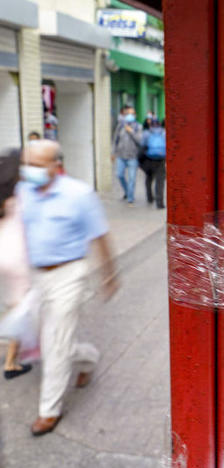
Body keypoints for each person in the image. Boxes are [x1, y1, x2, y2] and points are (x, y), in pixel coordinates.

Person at [19, 140, 119, 436]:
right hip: (37, 274)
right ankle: (88, 357)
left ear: (55, 165)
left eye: (37, 165)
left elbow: (101, 235)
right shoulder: (24, 191)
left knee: (55, 342)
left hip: (69, 274)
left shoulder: (79, 194)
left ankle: (49, 411)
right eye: (27, 164)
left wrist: (109, 275)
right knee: (39, 335)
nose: (29, 170)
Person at [0, 148, 37, 380]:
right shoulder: (23, 195)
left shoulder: (4, 196)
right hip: (19, 259)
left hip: (4, 255)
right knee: (21, 309)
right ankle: (11, 363)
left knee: (15, 304)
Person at [111, 105, 142, 205]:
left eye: (132, 114)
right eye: (128, 114)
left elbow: (140, 141)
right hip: (121, 156)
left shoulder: (138, 126)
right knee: (119, 175)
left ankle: (130, 198)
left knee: (132, 178)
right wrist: (113, 153)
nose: (129, 116)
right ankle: (127, 191)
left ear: (135, 115)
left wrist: (131, 131)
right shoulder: (120, 126)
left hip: (133, 156)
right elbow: (115, 140)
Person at [140, 118, 167, 209]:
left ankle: (150, 198)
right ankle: (160, 203)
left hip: (149, 159)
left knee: (149, 179)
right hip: (160, 160)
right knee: (160, 182)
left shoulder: (146, 133)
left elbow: (142, 145)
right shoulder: (164, 132)